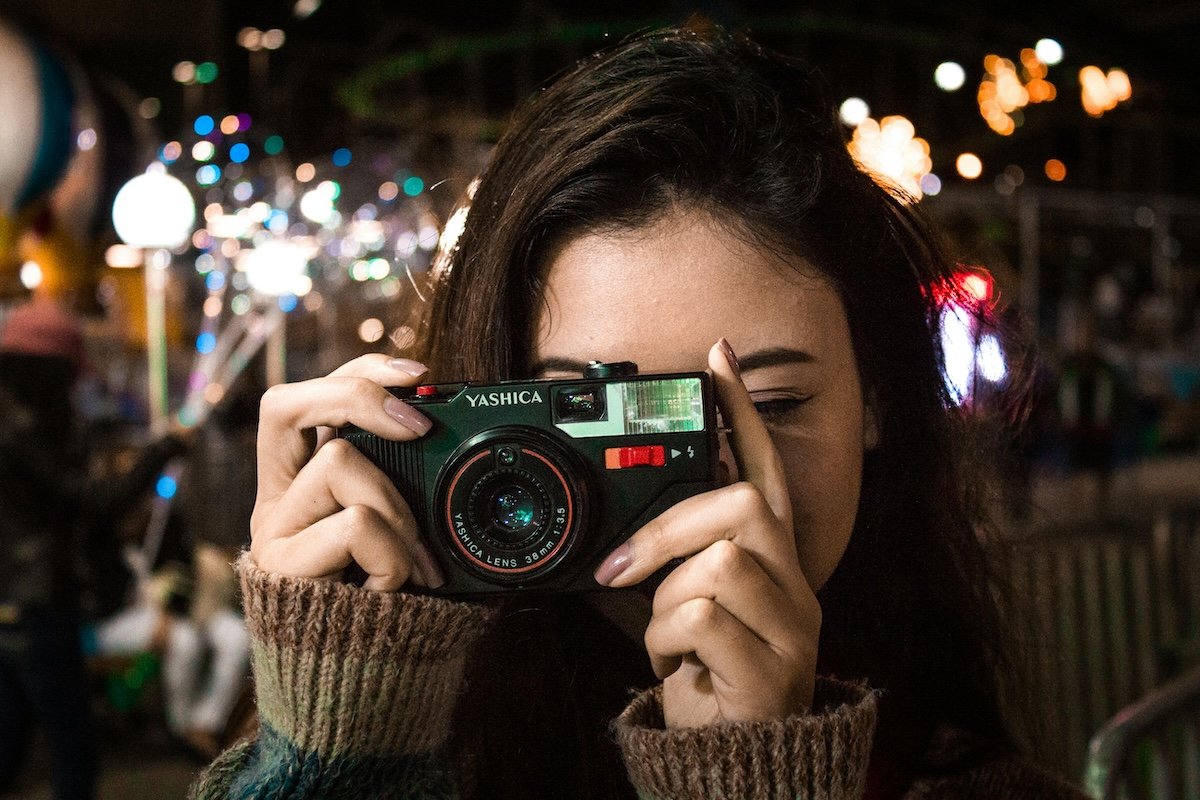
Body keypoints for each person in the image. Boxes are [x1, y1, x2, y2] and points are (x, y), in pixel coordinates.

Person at [192, 24, 1087, 799]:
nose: (699, 493)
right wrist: (333, 742)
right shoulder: (403, 738)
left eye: (767, 405)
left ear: (879, 400)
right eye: (585, 409)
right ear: (479, 401)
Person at [0, 299, 188, 800]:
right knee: (71, 746)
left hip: (16, 601)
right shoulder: (26, 428)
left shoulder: (15, 419)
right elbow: (92, 504)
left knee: (11, 743)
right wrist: (162, 450)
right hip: (37, 601)